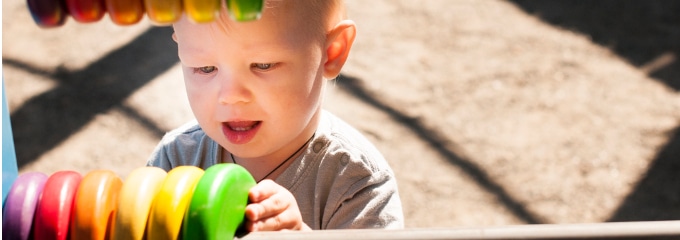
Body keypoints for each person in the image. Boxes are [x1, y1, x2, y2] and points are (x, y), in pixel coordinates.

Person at [146, 0, 404, 231]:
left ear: (332, 51)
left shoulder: (356, 184)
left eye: (263, 65)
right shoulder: (175, 161)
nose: (231, 95)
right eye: (205, 68)